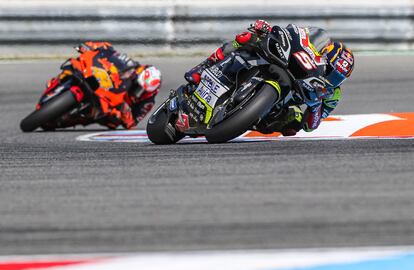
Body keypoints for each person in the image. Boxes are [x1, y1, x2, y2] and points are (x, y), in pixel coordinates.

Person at [183, 20, 354, 136]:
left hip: (283, 101)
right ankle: (203, 67)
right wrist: (266, 30)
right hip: (282, 63)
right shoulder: (316, 41)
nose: (332, 79)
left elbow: (311, 126)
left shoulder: (332, 94)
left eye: (337, 77)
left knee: (294, 123)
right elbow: (295, 33)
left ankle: (246, 118)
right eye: (331, 71)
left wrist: (315, 106)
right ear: (324, 55)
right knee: (246, 38)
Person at [48, 41, 161, 129]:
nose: (138, 89)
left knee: (100, 117)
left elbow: (132, 124)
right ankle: (56, 83)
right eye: (138, 85)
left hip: (112, 108)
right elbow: (109, 51)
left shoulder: (148, 102)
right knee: (75, 67)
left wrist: (125, 112)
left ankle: (65, 120)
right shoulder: (132, 67)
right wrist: (90, 47)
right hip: (104, 84)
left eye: (140, 90)